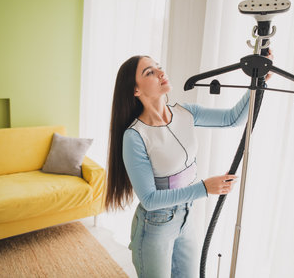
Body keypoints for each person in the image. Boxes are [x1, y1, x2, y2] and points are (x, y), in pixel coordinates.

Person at [105, 53, 272, 278]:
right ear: (135, 90)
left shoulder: (185, 113)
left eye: (158, 67)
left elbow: (233, 119)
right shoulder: (135, 137)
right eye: (149, 72)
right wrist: (204, 188)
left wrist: (258, 81)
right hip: (155, 226)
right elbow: (150, 199)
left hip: (186, 215)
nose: (161, 73)